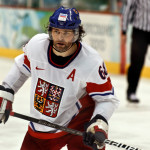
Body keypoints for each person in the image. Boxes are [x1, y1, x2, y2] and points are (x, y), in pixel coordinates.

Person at [0, 6, 119, 150]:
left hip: (81, 123)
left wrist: (99, 124)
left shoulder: (91, 62)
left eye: (66, 33)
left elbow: (106, 98)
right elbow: (21, 68)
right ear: (50, 31)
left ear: (77, 34)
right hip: (42, 124)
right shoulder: (37, 45)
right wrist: (6, 92)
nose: (60, 38)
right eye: (56, 31)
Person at [122, 0, 150, 103]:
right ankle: (131, 91)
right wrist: (124, 31)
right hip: (140, 30)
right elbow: (128, 9)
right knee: (137, 62)